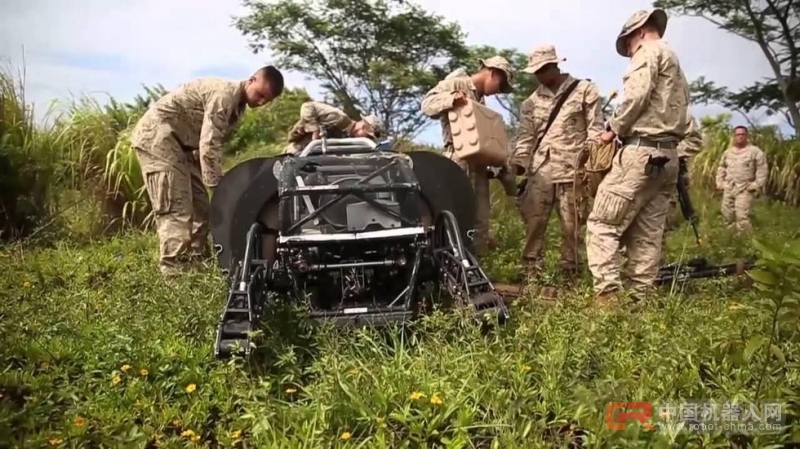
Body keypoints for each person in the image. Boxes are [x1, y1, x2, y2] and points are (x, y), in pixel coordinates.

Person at [130, 66, 285, 279]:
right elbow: (209, 144)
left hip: (183, 148)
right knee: (177, 208)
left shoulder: (238, 106)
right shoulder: (224, 96)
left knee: (201, 206)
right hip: (158, 140)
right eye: (260, 94)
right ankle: (173, 276)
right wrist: (219, 188)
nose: (260, 102)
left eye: (266, 100)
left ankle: (196, 265)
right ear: (251, 80)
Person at [585, 9, 695, 308]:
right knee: (648, 233)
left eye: (628, 44)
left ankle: (608, 298)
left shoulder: (647, 52)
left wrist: (611, 130)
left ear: (639, 32)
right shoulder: (674, 61)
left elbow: (635, 96)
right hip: (668, 154)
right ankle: (640, 301)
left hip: (641, 151)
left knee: (602, 224)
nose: (629, 50)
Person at [508, 45, 604, 280]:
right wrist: (519, 162)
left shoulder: (584, 90)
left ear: (554, 66)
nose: (539, 76)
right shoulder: (530, 102)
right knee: (534, 223)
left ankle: (571, 272)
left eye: (543, 70)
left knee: (573, 225)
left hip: (573, 169)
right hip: (541, 170)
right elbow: (525, 135)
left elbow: (595, 129)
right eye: (536, 72)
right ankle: (531, 271)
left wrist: (591, 164)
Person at [420, 56, 515, 256]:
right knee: (453, 215)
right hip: (456, 162)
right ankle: (450, 261)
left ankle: (477, 263)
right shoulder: (455, 84)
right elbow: (427, 105)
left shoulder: (482, 102)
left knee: (480, 220)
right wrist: (451, 99)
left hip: (478, 167)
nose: (499, 90)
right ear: (493, 73)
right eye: (501, 84)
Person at [715, 125, 768, 232]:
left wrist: (755, 185)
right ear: (734, 136)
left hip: (744, 188)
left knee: (742, 216)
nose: (740, 136)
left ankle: (745, 239)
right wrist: (720, 183)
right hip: (729, 187)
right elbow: (721, 167)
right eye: (738, 134)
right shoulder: (728, 152)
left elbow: (762, 169)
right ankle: (729, 237)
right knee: (727, 214)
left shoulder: (755, 151)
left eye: (742, 134)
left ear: (746, 136)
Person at [284, 101, 384, 154]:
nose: (366, 139)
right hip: (297, 151)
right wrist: (315, 132)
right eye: (368, 136)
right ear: (363, 127)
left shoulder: (349, 140)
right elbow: (307, 106)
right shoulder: (339, 118)